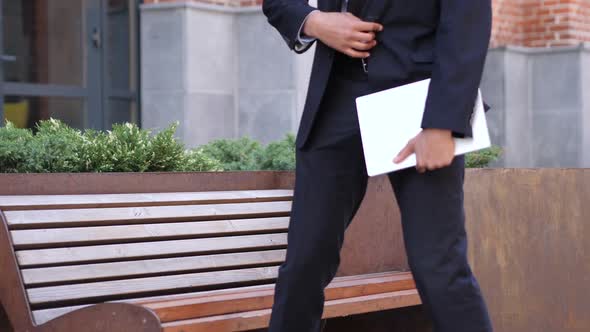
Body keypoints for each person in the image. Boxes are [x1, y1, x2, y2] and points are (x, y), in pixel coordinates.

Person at [262, 0, 494, 331]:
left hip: (419, 107)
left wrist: (443, 123)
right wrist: (314, 21)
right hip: (335, 101)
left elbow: (467, 21)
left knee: (439, 266)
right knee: (304, 263)